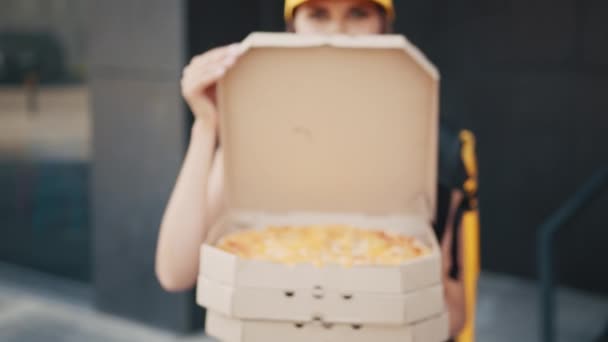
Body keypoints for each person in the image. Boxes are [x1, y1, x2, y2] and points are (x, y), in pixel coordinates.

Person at [156, 0, 472, 338]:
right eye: (318, 14)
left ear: (384, 25)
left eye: (358, 13)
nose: (337, 31)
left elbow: (454, 314)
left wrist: (405, 295)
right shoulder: (260, 135)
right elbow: (176, 272)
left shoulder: (433, 143)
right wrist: (206, 126)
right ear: (293, 27)